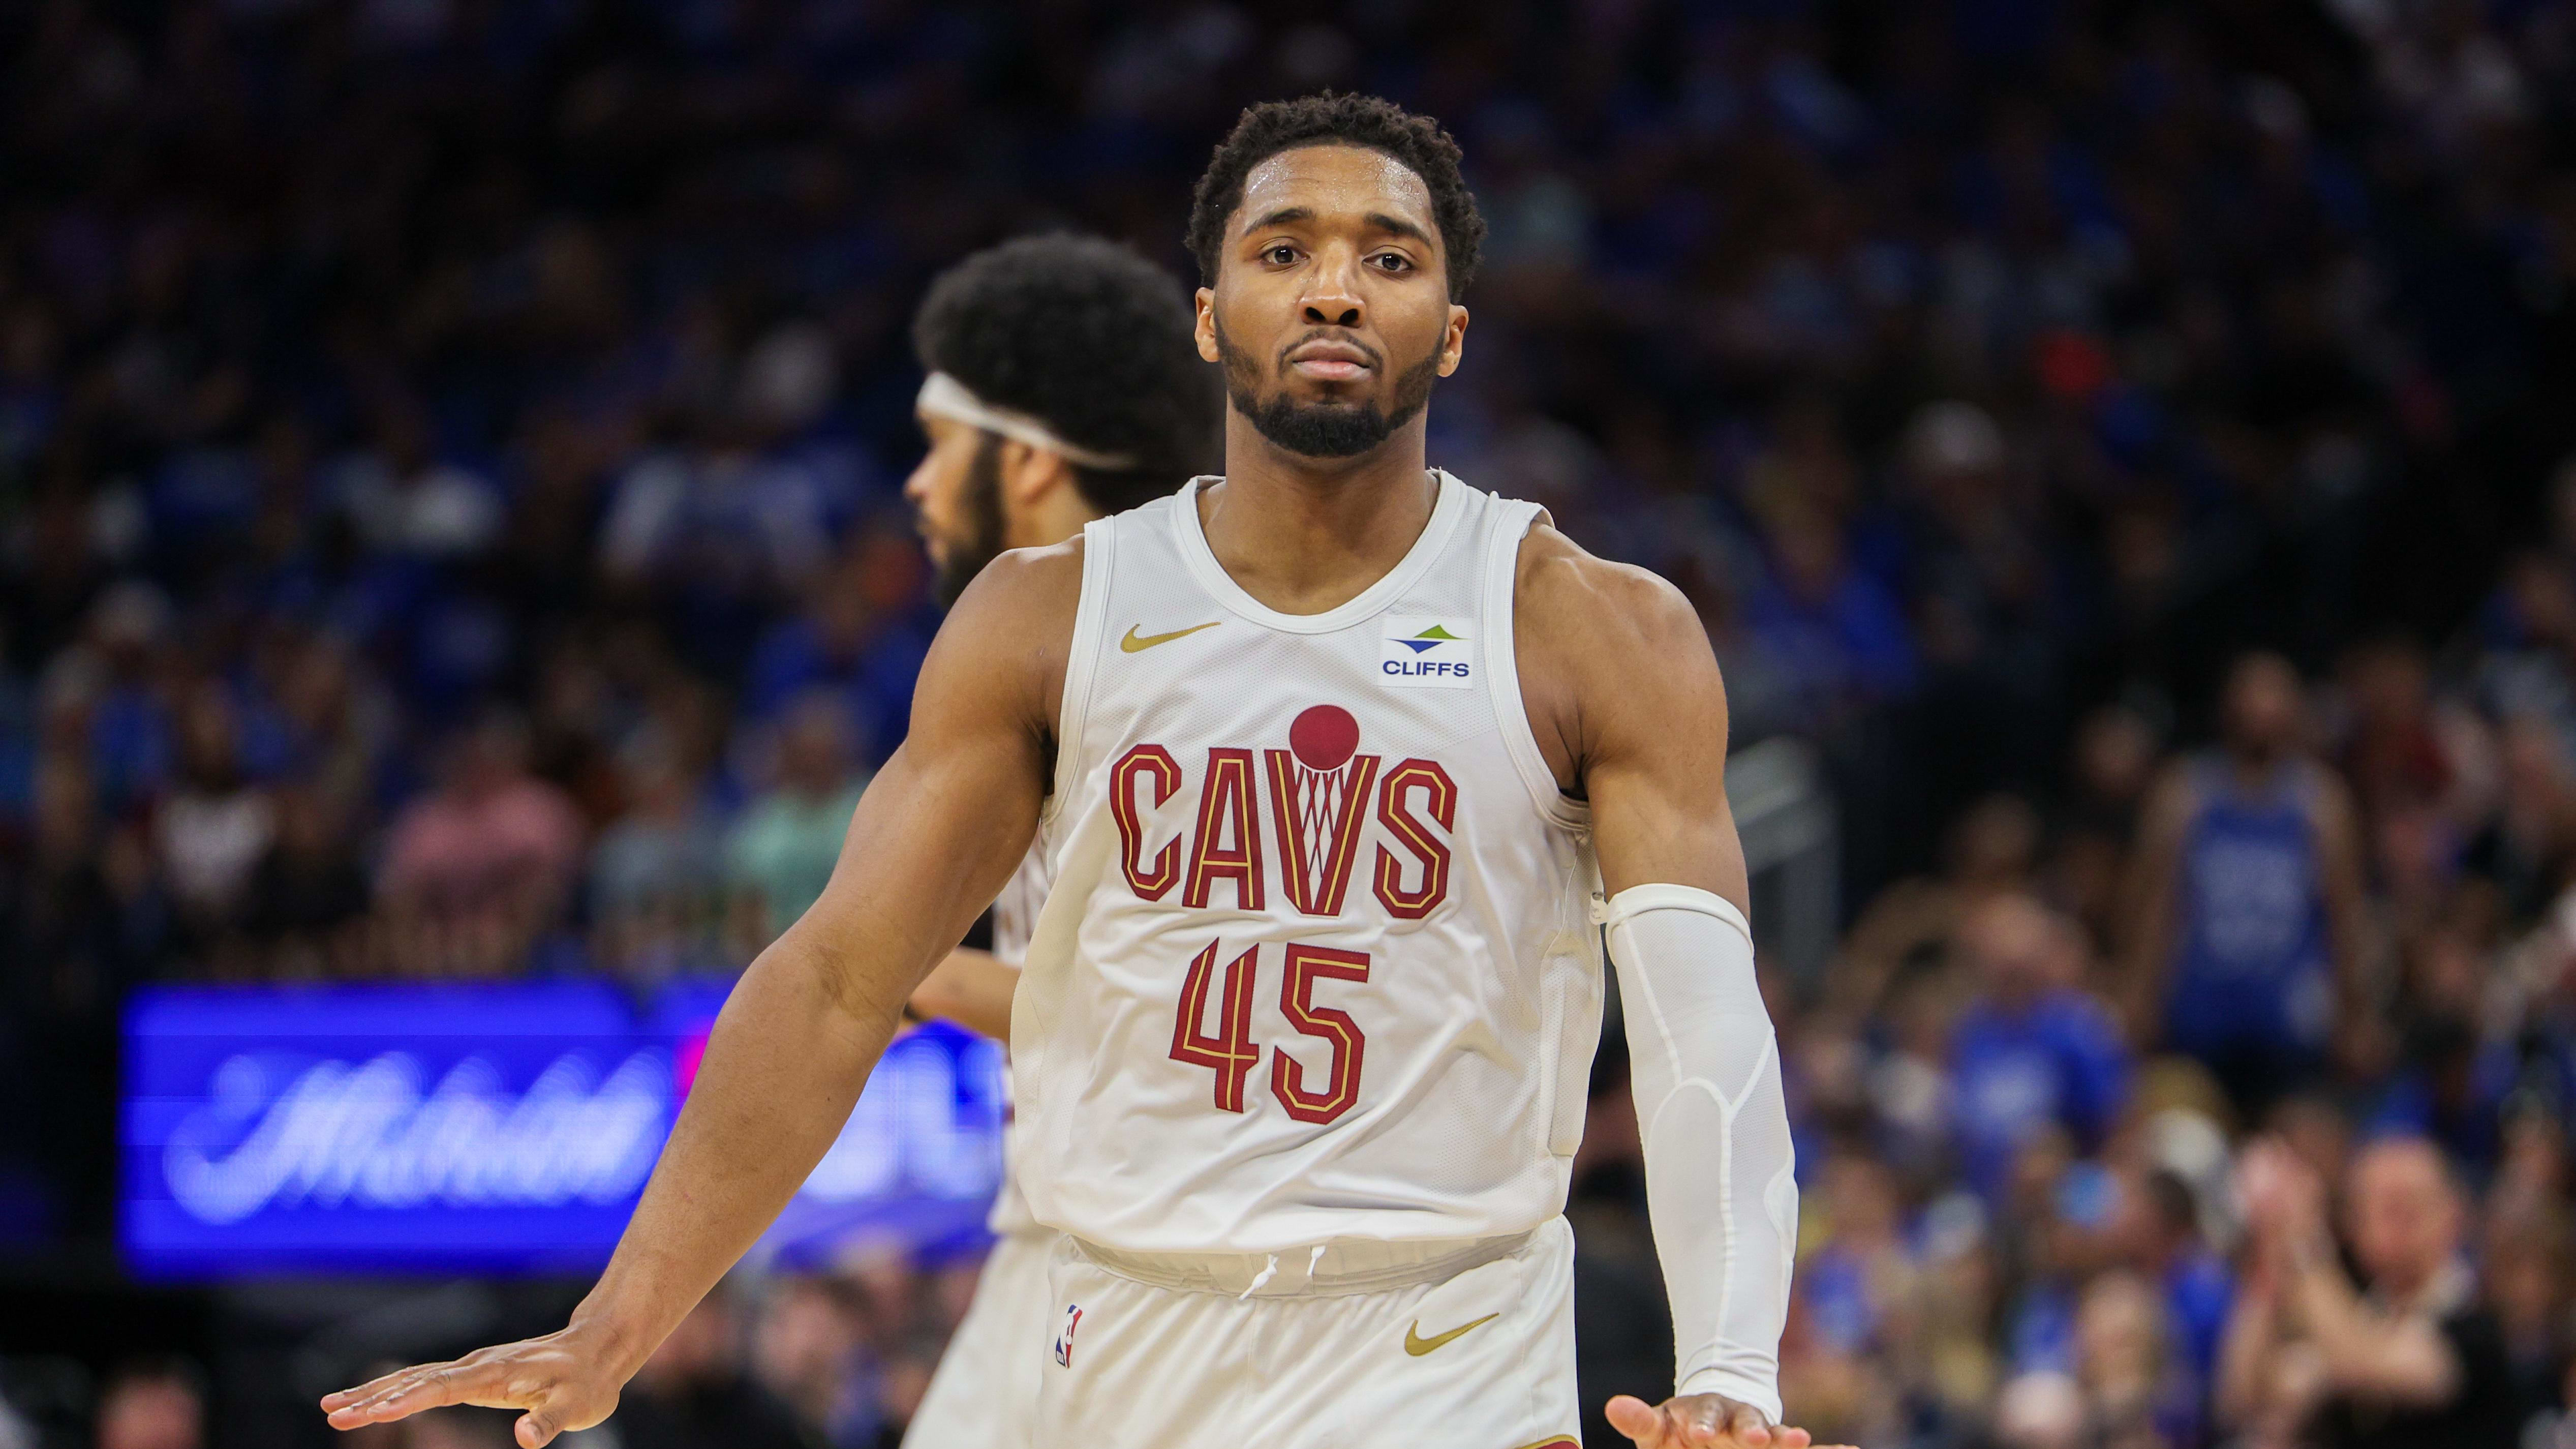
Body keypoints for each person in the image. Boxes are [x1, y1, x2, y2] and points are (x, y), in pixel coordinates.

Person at [324, 92, 1825, 1449]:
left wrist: (1734, 1367)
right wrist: (622, 1316)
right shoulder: (1051, 615)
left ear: (1449, 329)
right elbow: (842, 977)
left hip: (1439, 1340)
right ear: (1206, 315)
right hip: (1110, 1347)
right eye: (1284, 246)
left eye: (1389, 256)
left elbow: (1700, 1020)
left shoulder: (1590, 626)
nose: (1331, 285)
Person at [895, 232, 1222, 1449]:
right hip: (1062, 1238)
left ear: (1029, 461)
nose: (919, 488)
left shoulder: (1162, 677)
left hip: (1173, 1269)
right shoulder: (1025, 652)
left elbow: (1182, 1005)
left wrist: (914, 972)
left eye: (940, 447)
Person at [2120, 652, 2371, 1109]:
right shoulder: (2186, 794)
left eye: (2275, 695)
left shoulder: (2321, 803)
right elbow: (2155, 908)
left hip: (2290, 1026)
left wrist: (2354, 1015)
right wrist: (2139, 998)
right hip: (2200, 1018)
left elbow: (2345, 916)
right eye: (2252, 694)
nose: (2263, 710)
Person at [2216, 1135, 2520, 1449]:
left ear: (2453, 1216)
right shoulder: (2358, 1308)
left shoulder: (2477, 1319)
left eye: (2405, 1208)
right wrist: (2272, 1244)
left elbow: (2359, 1361)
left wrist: (2304, 1241)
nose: (2389, 1226)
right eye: (2373, 1208)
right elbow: (2244, 1399)